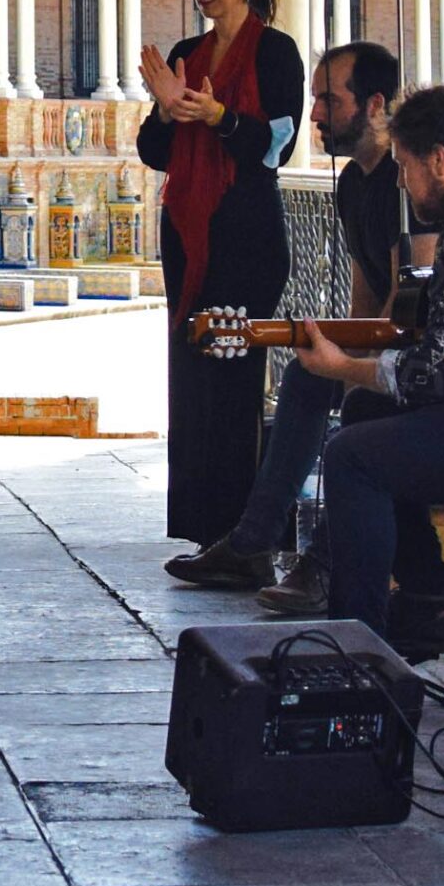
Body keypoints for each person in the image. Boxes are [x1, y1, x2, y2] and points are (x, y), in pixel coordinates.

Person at [298, 83, 444, 664]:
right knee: (368, 415)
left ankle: (357, 652)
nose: (403, 183)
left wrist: (343, 366)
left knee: (353, 456)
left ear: (438, 159)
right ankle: (428, 603)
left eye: (405, 166)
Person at [165, 39, 402, 603]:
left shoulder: (402, 177)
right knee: (305, 374)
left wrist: (359, 368)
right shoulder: (353, 182)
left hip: (425, 365)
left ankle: (325, 564)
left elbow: (402, 301)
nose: (315, 113)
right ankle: (254, 542)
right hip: (385, 345)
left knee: (364, 412)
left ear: (373, 104)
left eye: (327, 99)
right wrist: (340, 356)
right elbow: (366, 294)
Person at [137, 0, 305, 556]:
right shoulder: (188, 50)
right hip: (187, 231)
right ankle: (206, 529)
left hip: (246, 233)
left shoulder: (275, 52)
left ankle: (247, 536)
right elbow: (157, 153)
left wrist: (219, 116)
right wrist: (163, 107)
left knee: (233, 376)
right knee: (192, 375)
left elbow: (276, 146)